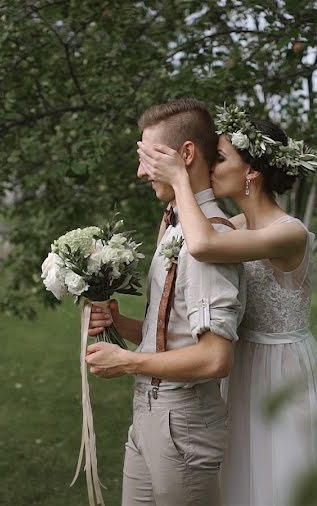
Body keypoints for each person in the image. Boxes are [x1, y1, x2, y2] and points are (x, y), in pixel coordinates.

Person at [136, 104, 317, 505]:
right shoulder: (232, 226)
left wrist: (181, 180)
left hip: (280, 370)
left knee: (280, 482)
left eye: (219, 158)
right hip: (237, 366)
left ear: (251, 171)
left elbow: (201, 245)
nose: (210, 166)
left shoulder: (291, 233)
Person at [83, 98, 245, 506]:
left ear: (184, 155)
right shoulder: (175, 227)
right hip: (149, 415)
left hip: (183, 424)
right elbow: (176, 332)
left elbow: (213, 359)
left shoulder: (209, 241)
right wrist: (123, 325)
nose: (140, 171)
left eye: (148, 157)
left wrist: (127, 362)